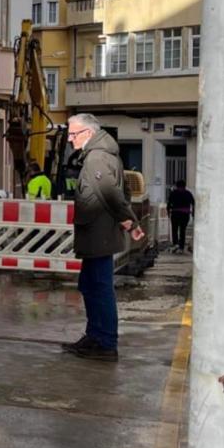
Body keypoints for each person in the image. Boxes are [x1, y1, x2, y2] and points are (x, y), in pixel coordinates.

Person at [62, 113, 144, 362]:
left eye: (73, 134)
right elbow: (124, 191)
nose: (69, 139)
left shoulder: (96, 158)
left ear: (88, 133)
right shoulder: (103, 155)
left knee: (99, 287)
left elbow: (109, 192)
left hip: (99, 233)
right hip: (97, 232)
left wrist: (130, 222)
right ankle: (95, 336)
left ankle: (105, 341)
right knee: (90, 286)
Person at [167, 179, 195, 253]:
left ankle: (175, 243)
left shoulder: (173, 193)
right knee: (183, 230)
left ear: (176, 186)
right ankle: (181, 247)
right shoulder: (188, 193)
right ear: (185, 186)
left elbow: (169, 203)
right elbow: (193, 202)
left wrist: (168, 212)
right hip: (185, 214)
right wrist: (193, 213)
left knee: (174, 229)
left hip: (175, 213)